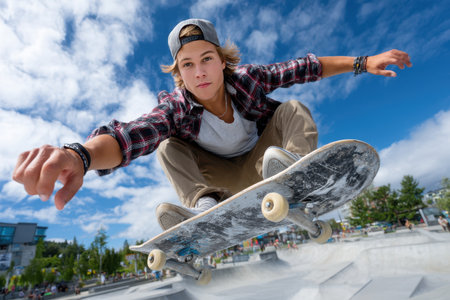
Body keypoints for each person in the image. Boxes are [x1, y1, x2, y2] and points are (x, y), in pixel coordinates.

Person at [12, 19, 412, 230]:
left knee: (291, 107)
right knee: (167, 145)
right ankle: (203, 208)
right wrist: (80, 155)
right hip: (219, 182)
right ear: (179, 74)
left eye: (206, 59)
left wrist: (363, 62)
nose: (200, 72)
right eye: (188, 65)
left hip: (267, 164)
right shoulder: (177, 107)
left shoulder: (250, 79)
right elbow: (133, 135)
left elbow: (306, 67)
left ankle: (298, 173)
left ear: (223, 61)